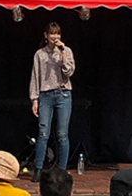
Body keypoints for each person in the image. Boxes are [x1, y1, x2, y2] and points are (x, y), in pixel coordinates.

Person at [29, 22, 75, 182]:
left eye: (58, 34)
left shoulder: (67, 51)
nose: (55, 37)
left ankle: (62, 170)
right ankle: (39, 169)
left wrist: (62, 54)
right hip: (46, 95)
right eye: (52, 34)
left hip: (63, 94)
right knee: (43, 132)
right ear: (46, 36)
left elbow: (69, 72)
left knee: (62, 134)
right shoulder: (39, 54)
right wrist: (34, 99)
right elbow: (35, 77)